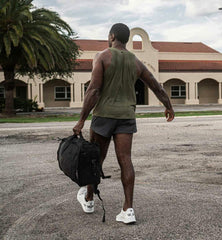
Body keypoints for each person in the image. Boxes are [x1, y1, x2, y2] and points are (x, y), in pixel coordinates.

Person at [73, 23, 174, 224]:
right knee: (125, 160)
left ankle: (89, 199)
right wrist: (169, 106)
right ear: (127, 39)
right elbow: (155, 85)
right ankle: (128, 210)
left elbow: (93, 90)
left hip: (103, 116)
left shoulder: (102, 56)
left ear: (111, 36)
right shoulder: (136, 61)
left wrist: (82, 119)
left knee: (97, 160)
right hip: (126, 116)